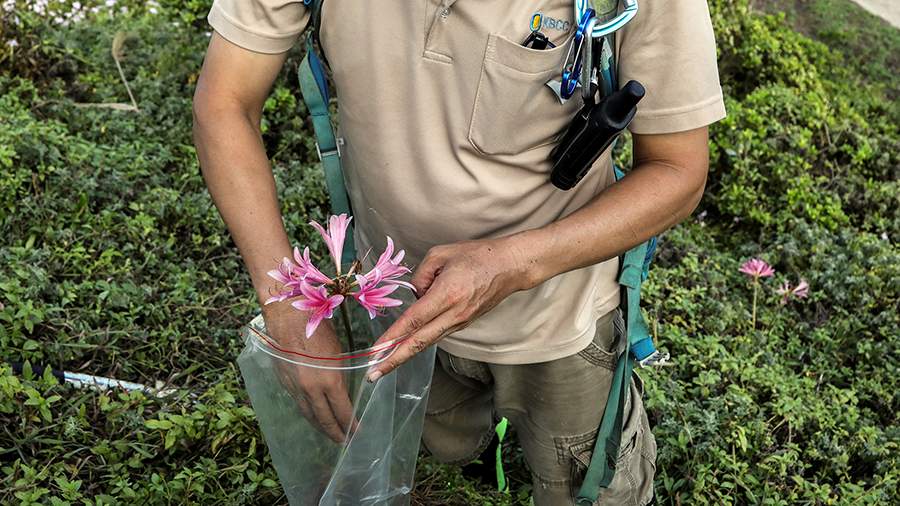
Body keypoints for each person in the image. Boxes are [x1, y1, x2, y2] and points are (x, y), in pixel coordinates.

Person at [192, 1, 725, 504]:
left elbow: (677, 170)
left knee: (586, 479)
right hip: (392, 303)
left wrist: (511, 264)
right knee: (433, 460)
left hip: (560, 317)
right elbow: (225, 103)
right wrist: (288, 307)